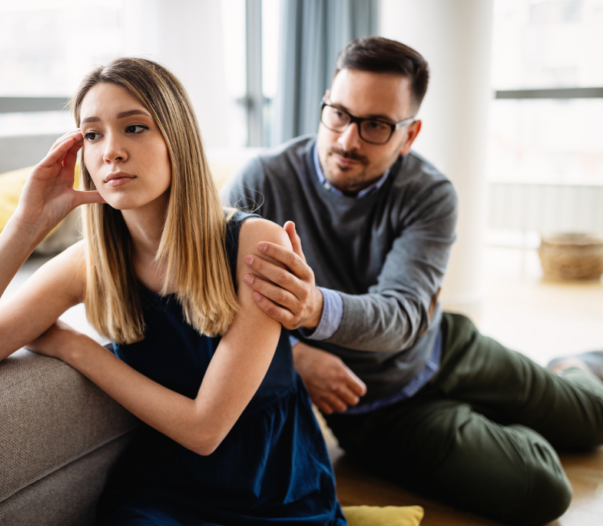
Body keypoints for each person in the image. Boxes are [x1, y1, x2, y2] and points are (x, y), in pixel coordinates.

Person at [0, 58, 346, 525]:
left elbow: (205, 429)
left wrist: (77, 349)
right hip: (170, 487)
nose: (111, 151)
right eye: (93, 135)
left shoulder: (253, 244)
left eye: (135, 127)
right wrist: (24, 226)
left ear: (176, 140)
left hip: (276, 483)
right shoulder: (88, 264)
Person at [222, 36, 603, 526]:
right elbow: (217, 307)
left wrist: (313, 310)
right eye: (338, 113)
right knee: (542, 489)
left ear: (410, 134)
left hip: (448, 345)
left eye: (376, 125)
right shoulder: (261, 183)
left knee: (593, 418)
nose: (348, 140)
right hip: (380, 407)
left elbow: (402, 314)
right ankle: (490, 420)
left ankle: (571, 367)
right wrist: (292, 358)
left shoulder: (430, 194)